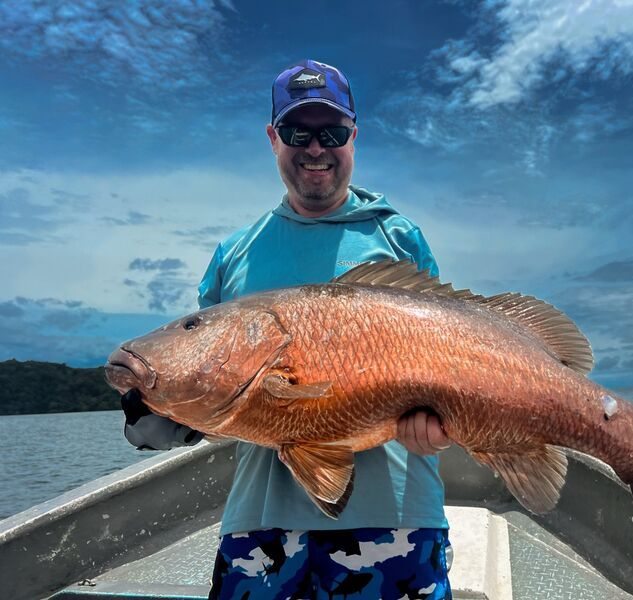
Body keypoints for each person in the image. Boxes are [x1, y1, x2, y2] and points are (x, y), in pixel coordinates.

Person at [121, 59, 453, 600]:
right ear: (274, 138)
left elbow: (446, 364)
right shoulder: (234, 255)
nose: (316, 148)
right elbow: (218, 385)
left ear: (354, 136)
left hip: (399, 517)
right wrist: (163, 408)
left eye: (333, 132)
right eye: (299, 132)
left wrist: (439, 427)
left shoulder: (400, 239)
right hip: (261, 526)